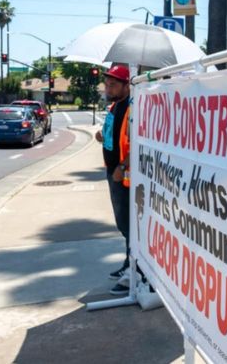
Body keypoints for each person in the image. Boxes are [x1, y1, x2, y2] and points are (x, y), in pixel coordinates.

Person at [95, 64, 134, 295]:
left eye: (113, 84)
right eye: (107, 84)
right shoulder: (114, 107)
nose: (108, 88)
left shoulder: (133, 108)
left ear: (126, 85)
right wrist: (102, 135)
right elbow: (116, 137)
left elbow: (138, 140)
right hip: (114, 172)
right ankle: (129, 263)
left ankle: (133, 271)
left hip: (125, 175)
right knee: (122, 224)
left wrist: (122, 166)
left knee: (130, 225)